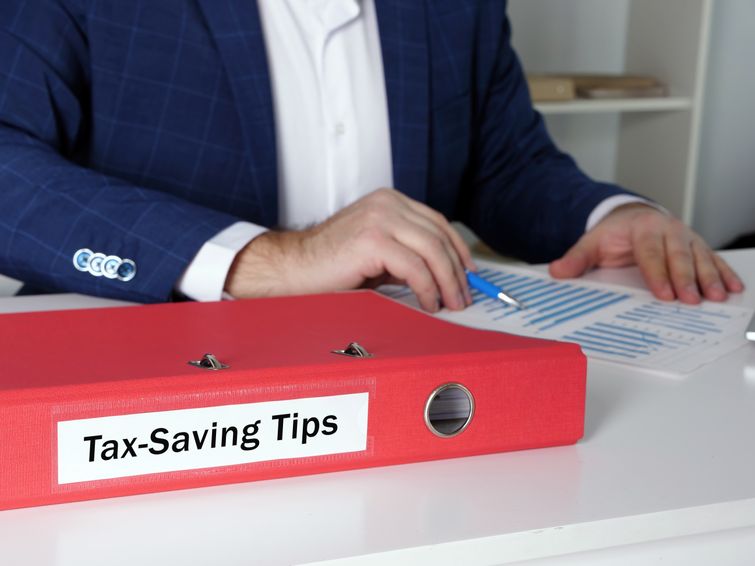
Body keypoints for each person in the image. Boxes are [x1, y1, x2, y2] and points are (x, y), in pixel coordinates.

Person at [0, 0, 743, 312]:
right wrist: (266, 260)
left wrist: (613, 213)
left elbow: (499, 162)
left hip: (406, 375)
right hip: (140, 399)